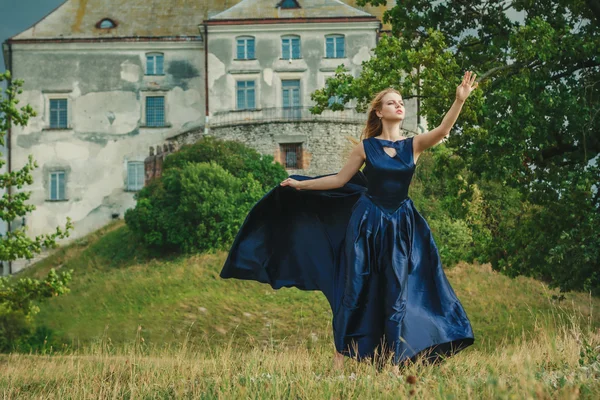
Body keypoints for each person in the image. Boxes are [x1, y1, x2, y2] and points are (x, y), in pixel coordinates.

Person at [221, 71, 479, 372]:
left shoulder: (414, 145)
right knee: (354, 289)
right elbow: (340, 180)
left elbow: (443, 129)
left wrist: (459, 100)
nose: (398, 106)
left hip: (399, 226)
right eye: (391, 103)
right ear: (379, 112)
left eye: (400, 102)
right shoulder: (365, 148)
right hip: (366, 225)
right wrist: (300, 185)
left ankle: (393, 365)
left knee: (396, 293)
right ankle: (339, 361)